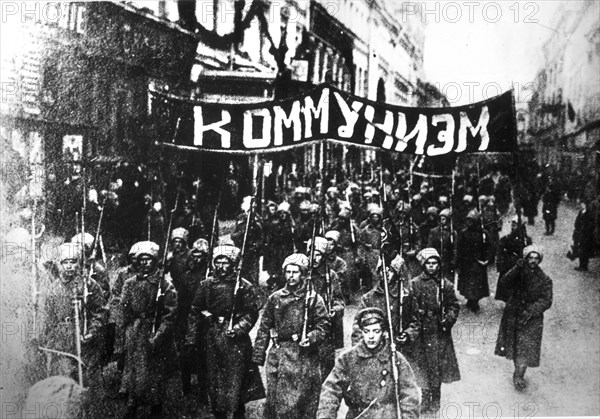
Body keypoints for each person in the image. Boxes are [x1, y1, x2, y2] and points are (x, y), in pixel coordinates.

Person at [185, 244, 263, 419]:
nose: (221, 266)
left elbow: (251, 312)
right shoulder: (206, 285)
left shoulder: (243, 286)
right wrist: (192, 337)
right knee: (214, 377)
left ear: (233, 264)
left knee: (236, 377)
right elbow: (195, 311)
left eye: (225, 262)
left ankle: (237, 410)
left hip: (236, 340)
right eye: (217, 262)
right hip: (212, 336)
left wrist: (238, 328)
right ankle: (218, 411)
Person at [252, 253, 330, 418]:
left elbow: (323, 325)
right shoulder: (276, 298)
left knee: (303, 402)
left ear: (302, 274)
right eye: (288, 272)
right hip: (279, 355)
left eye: (295, 272)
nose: (291, 276)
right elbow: (265, 327)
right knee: (277, 401)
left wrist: (311, 337)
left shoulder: (313, 299)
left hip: (304, 356)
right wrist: (258, 355)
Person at [317, 307, 420, 419]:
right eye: (367, 331)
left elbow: (409, 396)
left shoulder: (396, 359)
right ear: (362, 332)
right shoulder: (349, 358)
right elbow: (331, 391)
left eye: (376, 331)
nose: (371, 336)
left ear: (383, 332)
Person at [120, 240, 180, 418]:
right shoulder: (130, 283)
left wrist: (159, 334)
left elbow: (171, 314)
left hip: (155, 333)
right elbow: (124, 308)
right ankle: (133, 403)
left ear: (155, 261)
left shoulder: (164, 285)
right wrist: (127, 330)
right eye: (141, 260)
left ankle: (156, 406)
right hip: (135, 331)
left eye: (149, 260)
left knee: (154, 372)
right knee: (134, 370)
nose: (144, 263)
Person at [39, 243, 106, 380]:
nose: (69, 266)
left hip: (82, 334)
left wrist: (92, 331)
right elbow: (48, 316)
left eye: (73, 262)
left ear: (79, 263)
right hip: (60, 337)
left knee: (85, 374)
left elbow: (100, 311)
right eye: (65, 262)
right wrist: (49, 337)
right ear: (59, 264)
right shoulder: (54, 288)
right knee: (62, 374)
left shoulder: (88, 285)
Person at [406, 248, 460, 413]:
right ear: (423, 264)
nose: (431, 266)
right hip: (421, 331)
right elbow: (409, 307)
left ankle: (436, 398)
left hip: (439, 331)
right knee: (422, 367)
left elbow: (454, 306)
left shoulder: (445, 285)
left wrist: (448, 318)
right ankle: (425, 397)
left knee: (436, 366)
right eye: (428, 263)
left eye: (434, 263)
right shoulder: (414, 284)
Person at [495, 244, 553, 391]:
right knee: (515, 345)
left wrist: (531, 311)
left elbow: (546, 300)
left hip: (532, 319)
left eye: (536, 258)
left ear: (539, 260)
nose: (533, 261)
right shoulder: (518, 273)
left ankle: (519, 374)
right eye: (530, 257)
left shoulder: (545, 279)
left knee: (526, 347)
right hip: (514, 313)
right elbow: (504, 282)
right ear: (525, 259)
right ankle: (518, 369)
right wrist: (516, 268)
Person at [307, 237, 346, 381]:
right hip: (308, 322)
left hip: (326, 324)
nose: (314, 258)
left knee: (326, 363)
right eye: (312, 254)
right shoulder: (304, 275)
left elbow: (339, 300)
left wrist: (335, 309)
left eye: (318, 254)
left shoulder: (331, 276)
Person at [456, 210, 492, 312]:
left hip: (478, 262)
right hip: (466, 262)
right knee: (467, 283)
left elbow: (490, 247)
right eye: (468, 221)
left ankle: (475, 302)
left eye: (472, 221)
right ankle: (470, 299)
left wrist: (487, 259)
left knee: (476, 284)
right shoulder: (463, 233)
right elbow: (459, 248)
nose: (469, 223)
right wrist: (458, 263)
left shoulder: (483, 233)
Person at [495, 216, 532, 302]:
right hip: (508, 264)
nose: (513, 227)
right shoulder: (507, 238)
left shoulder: (526, 240)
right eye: (512, 224)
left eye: (515, 225)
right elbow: (499, 249)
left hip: (520, 265)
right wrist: (500, 262)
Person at [570, 199, 595, 271]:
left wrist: (584, 230)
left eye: (582, 204)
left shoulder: (589, 214)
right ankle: (581, 265)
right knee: (580, 250)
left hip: (586, 236)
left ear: (585, 205)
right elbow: (576, 223)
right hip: (579, 234)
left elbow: (591, 225)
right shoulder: (581, 212)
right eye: (581, 204)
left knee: (585, 251)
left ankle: (584, 266)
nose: (581, 205)